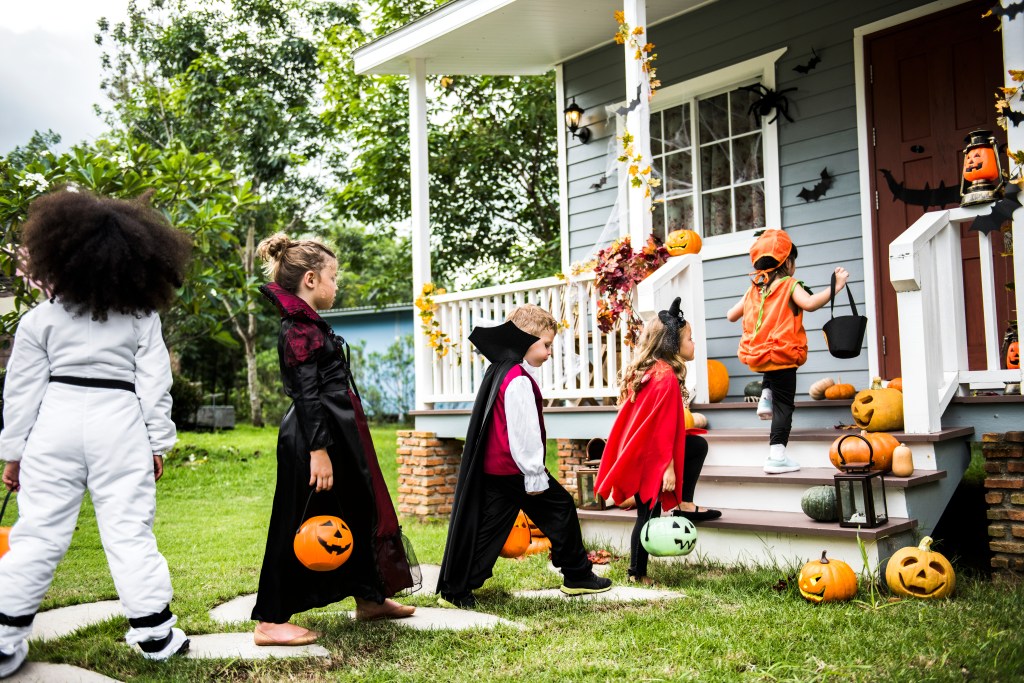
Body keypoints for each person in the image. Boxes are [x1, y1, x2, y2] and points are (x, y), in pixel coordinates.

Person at [0, 189, 194, 678]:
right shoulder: (141, 318)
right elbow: (155, 386)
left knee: (38, 533)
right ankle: (154, 634)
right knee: (129, 530)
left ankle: (3, 639)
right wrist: (157, 443)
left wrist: (13, 454)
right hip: (120, 422)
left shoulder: (38, 321)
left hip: (54, 424)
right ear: (134, 257)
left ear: (58, 256)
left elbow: (20, 395)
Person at [252, 233, 417, 646]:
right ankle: (270, 620)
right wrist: (319, 452)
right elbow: (306, 395)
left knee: (358, 511)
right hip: (314, 438)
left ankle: (369, 597)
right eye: (333, 276)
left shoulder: (310, 323)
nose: (336, 284)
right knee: (295, 520)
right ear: (310, 278)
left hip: (339, 433)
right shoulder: (297, 329)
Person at [437, 304, 611, 607]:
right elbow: (523, 432)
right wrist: (534, 474)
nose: (549, 352)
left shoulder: (503, 370)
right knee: (562, 507)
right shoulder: (516, 378)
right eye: (546, 344)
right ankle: (577, 575)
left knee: (491, 529)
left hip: (498, 469)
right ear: (525, 340)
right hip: (516, 469)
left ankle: (458, 588)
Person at [595, 298, 718, 585]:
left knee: (696, 445)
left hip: (648, 450)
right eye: (690, 338)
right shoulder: (665, 378)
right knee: (647, 513)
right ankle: (637, 573)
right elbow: (660, 430)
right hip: (650, 457)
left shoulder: (658, 371)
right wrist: (668, 469)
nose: (694, 343)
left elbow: (663, 425)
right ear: (673, 344)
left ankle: (684, 503)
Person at [726, 228, 849, 474]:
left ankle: (765, 395)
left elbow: (731, 315)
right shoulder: (790, 285)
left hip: (757, 356)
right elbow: (811, 303)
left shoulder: (754, 289)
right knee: (785, 407)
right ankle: (777, 456)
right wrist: (836, 287)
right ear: (788, 262)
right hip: (782, 356)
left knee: (771, 369)